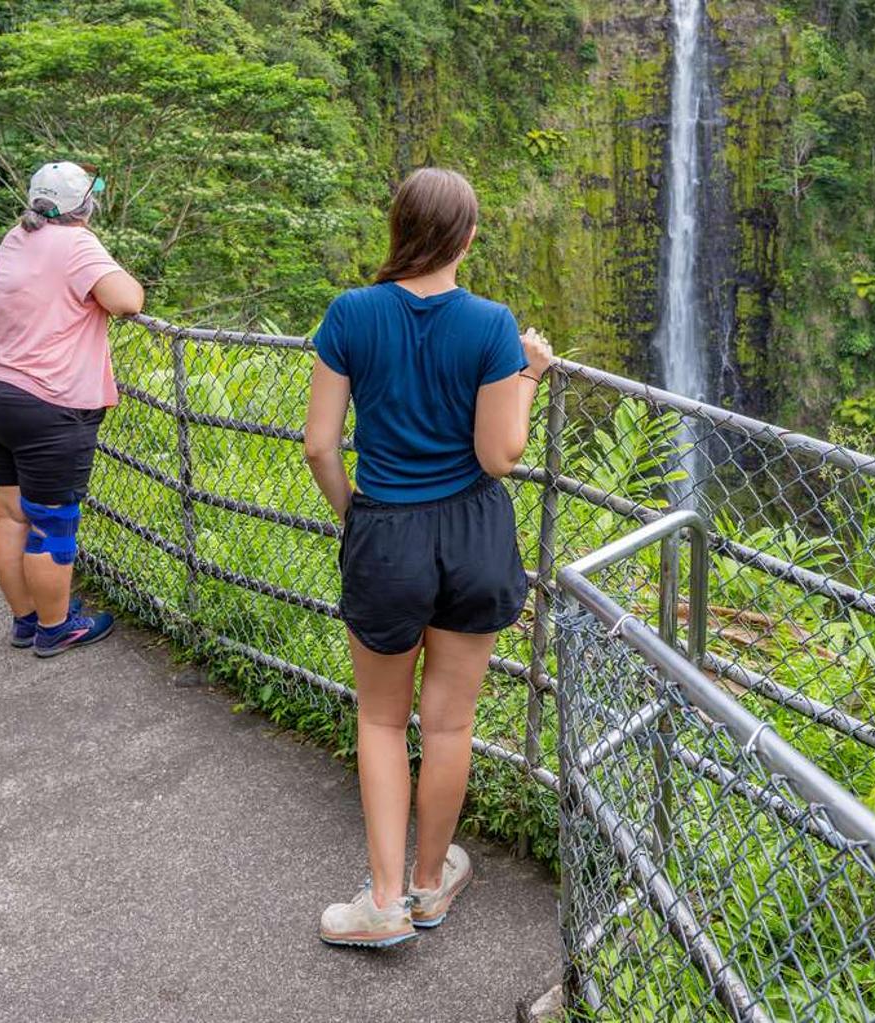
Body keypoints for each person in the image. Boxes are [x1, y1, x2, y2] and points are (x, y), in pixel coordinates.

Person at [303, 168, 555, 947]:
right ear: (467, 239)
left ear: (398, 227)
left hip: (387, 532)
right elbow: (500, 454)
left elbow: (319, 446)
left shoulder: (350, 314)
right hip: (473, 536)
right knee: (449, 725)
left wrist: (358, 516)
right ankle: (429, 882)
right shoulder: (491, 325)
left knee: (382, 719)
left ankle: (383, 903)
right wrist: (528, 375)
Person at [0, 162, 143, 657]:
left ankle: (28, 619)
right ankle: (56, 626)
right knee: (52, 522)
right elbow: (127, 300)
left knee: (8, 514)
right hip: (45, 401)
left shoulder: (17, 236)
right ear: (84, 205)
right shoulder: (77, 243)